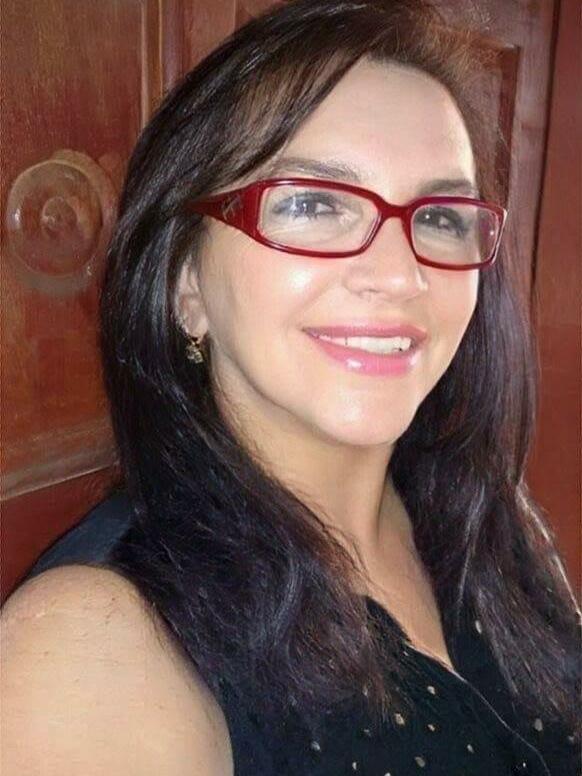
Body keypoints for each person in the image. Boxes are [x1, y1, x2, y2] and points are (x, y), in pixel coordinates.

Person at [2, 1, 580, 774]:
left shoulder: (487, 510)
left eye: (441, 217)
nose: (400, 275)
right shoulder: (92, 646)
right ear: (185, 284)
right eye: (312, 204)